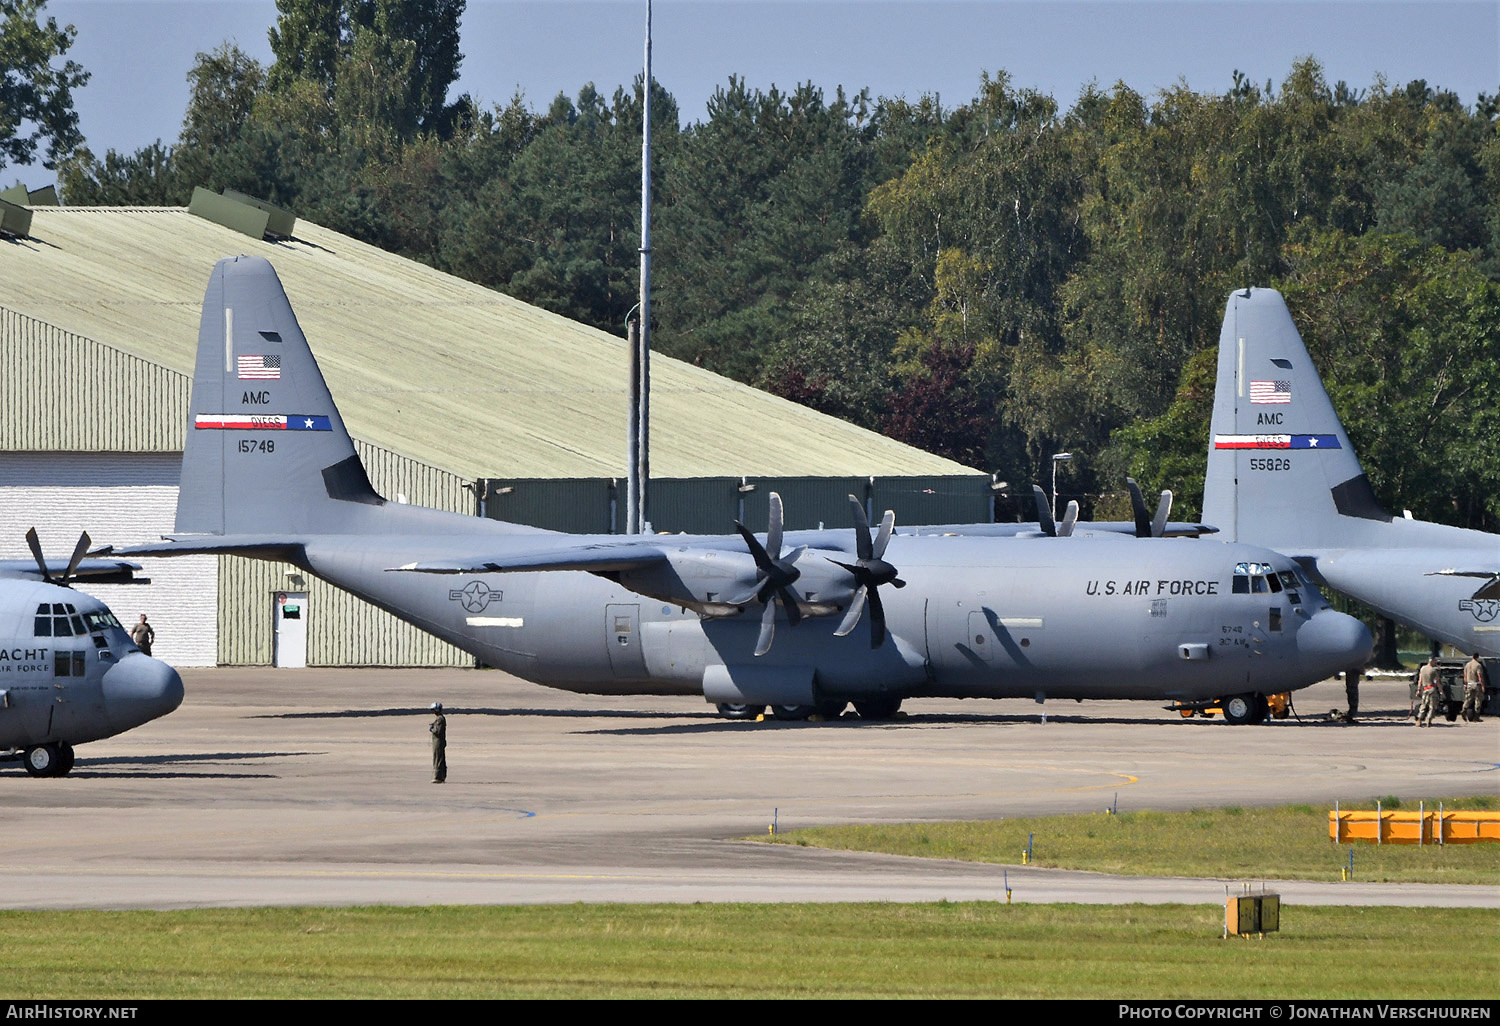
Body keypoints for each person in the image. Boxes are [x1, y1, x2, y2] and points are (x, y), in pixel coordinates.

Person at [1415, 656, 1442, 727]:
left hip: (1425, 689)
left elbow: (1420, 680)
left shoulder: (1422, 669)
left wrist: (1418, 690)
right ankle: (1429, 720)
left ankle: (1419, 719)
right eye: (1435, 661)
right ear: (1432, 661)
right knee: (1432, 706)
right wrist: (1441, 691)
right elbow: (1437, 681)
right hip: (1432, 689)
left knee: (1423, 705)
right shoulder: (1433, 670)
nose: (1436, 662)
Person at [1461, 653, 1487, 723]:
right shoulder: (1478, 665)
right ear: (1477, 657)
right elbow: (1480, 676)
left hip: (1469, 684)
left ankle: (1464, 709)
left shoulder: (1467, 665)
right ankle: (1476, 717)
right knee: (1478, 700)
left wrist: (1465, 684)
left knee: (1468, 699)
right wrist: (1483, 686)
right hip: (1476, 684)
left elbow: (1465, 676)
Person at [429, 702, 447, 783]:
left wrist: (432, 729)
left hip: (438, 741)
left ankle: (438, 777)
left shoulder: (440, 719)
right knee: (439, 758)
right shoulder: (440, 718)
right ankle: (441, 776)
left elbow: (438, 731)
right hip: (438, 741)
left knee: (438, 758)